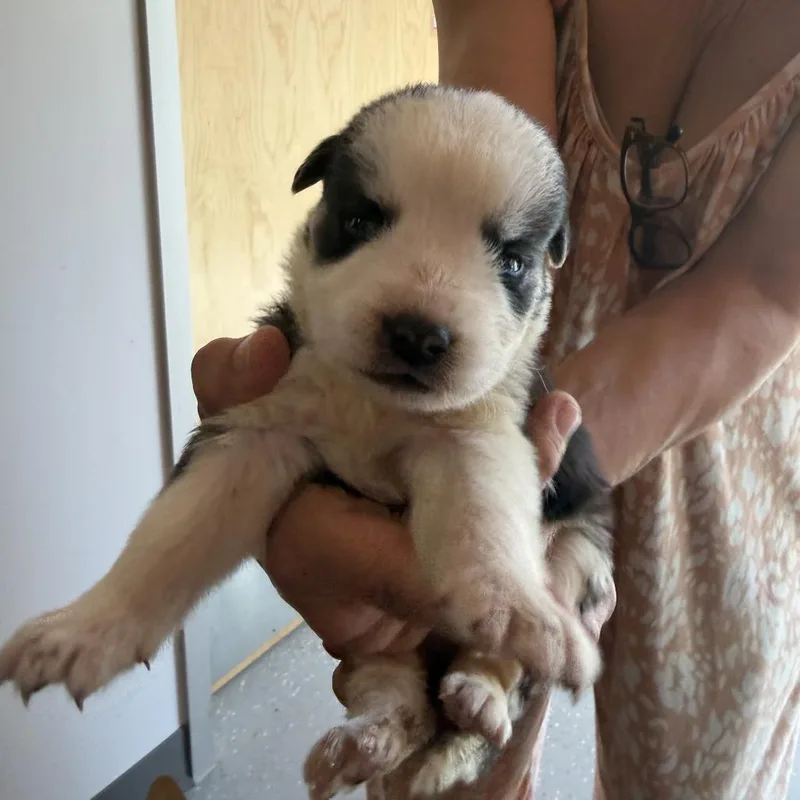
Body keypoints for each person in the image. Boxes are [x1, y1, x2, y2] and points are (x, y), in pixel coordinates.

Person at [191, 1, 800, 797]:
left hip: (724, 454)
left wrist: (522, 476)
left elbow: (763, 290)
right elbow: (488, 147)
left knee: (692, 772)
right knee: (444, 760)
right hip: (478, 403)